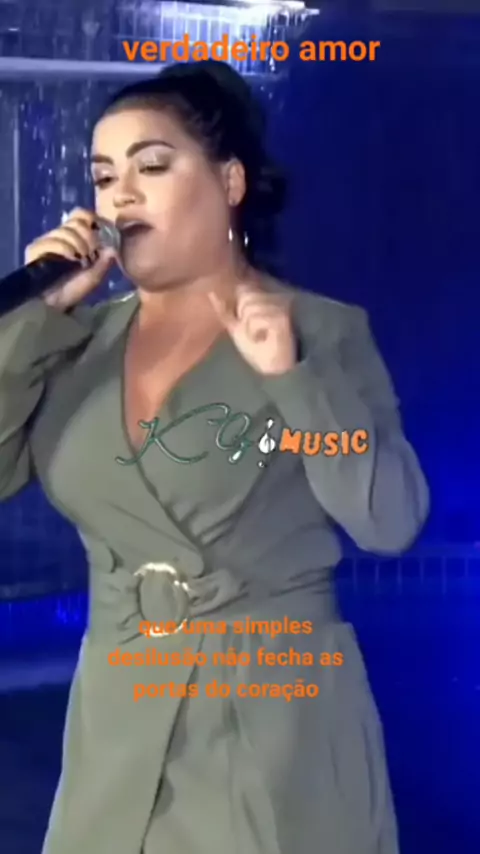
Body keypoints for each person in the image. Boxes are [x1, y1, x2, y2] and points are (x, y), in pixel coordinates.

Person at [0, 60, 428, 854]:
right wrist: (33, 325)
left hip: (277, 727)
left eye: (152, 167)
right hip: (118, 729)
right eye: (104, 176)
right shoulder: (73, 344)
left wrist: (292, 379)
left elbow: (389, 521)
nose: (120, 196)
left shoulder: (320, 331)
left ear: (229, 182)